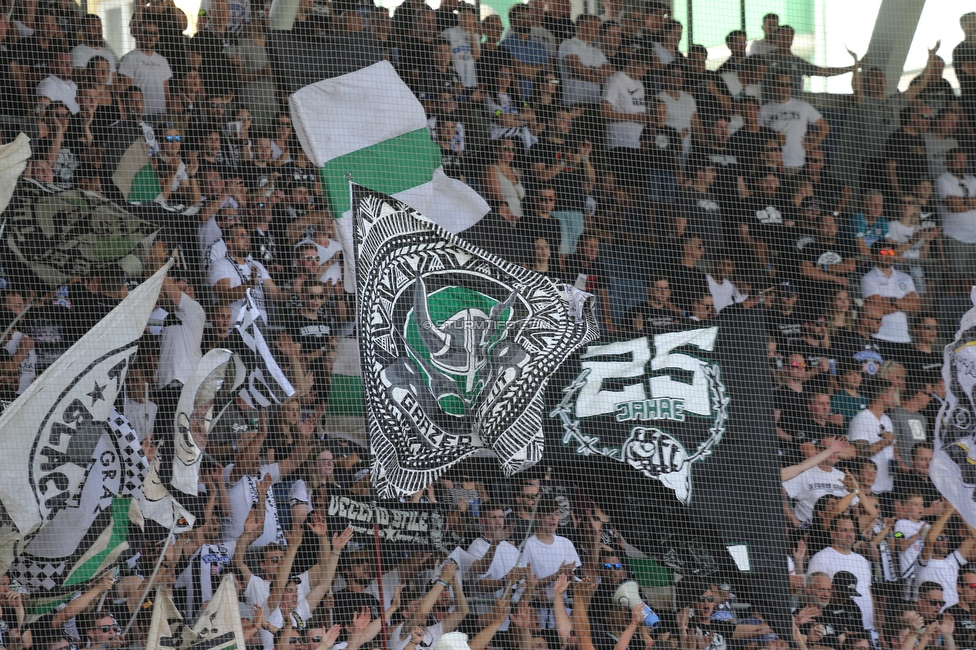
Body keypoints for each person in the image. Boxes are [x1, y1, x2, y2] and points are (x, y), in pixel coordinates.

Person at [807, 516, 876, 632]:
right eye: (844, 530)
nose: (849, 534)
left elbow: (867, 591)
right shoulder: (821, 558)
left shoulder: (861, 560)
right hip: (838, 628)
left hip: (866, 627)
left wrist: (875, 622)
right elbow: (813, 594)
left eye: (852, 530)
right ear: (833, 534)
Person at [759, 72, 829, 170]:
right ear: (774, 87)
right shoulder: (765, 109)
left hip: (798, 162)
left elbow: (824, 126)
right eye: (781, 85)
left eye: (788, 84)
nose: (786, 88)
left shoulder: (802, 106)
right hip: (773, 164)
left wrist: (814, 143)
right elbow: (760, 135)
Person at [861, 241, 920, 345]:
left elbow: (916, 307)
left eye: (891, 252)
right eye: (884, 252)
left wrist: (891, 300)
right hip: (879, 336)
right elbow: (876, 308)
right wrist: (904, 302)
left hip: (903, 337)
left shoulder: (906, 278)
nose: (888, 255)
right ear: (873, 257)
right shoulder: (868, 278)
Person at [848, 379, 899, 501]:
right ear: (883, 397)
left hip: (887, 485)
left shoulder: (887, 419)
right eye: (891, 394)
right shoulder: (861, 419)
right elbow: (861, 453)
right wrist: (885, 441)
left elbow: (893, 449)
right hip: (869, 488)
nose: (894, 398)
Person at [117, 22, 173, 117]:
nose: (150, 37)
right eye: (146, 33)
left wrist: (168, 113)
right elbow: (127, 90)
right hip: (140, 115)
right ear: (138, 35)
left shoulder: (163, 61)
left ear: (158, 37)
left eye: (154, 34)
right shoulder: (129, 58)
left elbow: (166, 91)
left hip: (161, 115)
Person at [937, 148, 976, 284]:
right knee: (953, 278)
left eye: (963, 161)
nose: (961, 164)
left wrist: (961, 201)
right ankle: (951, 304)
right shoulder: (943, 180)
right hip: (955, 236)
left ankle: (971, 306)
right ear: (948, 162)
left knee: (971, 280)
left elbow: (958, 203)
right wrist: (971, 201)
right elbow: (953, 206)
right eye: (958, 161)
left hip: (974, 237)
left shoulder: (971, 180)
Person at [557, 14, 611, 107]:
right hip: (573, 103)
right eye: (594, 27)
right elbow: (577, 68)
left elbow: (610, 71)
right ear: (582, 26)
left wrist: (589, 71)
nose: (597, 31)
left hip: (594, 103)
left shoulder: (596, 51)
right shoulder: (568, 43)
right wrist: (598, 76)